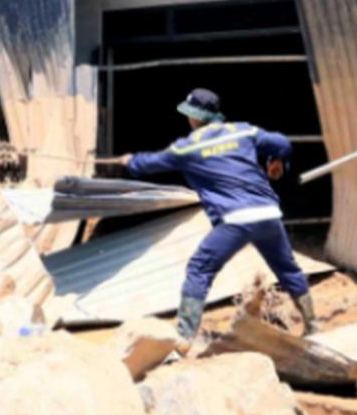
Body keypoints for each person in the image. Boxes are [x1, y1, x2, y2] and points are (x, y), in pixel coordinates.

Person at [113, 88, 314, 349]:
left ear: (195, 118)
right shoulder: (244, 131)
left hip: (235, 219)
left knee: (199, 269)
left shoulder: (187, 148)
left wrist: (129, 161)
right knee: (287, 269)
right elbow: (282, 144)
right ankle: (312, 325)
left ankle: (184, 336)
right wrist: (276, 162)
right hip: (268, 214)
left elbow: (149, 164)